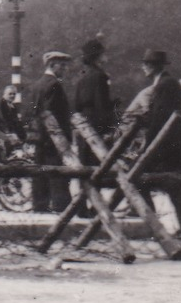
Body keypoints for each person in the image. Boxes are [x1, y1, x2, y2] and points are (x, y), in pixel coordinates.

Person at [125, 49, 181, 234]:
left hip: (166, 143)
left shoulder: (166, 84)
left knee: (141, 177)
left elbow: (160, 119)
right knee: (174, 183)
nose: (144, 67)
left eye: (147, 64)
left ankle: (152, 222)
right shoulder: (165, 83)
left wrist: (147, 145)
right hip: (167, 142)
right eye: (144, 63)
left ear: (157, 66)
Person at [27, 49, 73, 214]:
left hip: (39, 136)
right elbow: (51, 114)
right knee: (57, 171)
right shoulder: (54, 85)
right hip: (53, 136)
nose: (65, 69)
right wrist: (62, 137)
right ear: (53, 65)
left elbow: (32, 112)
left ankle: (40, 205)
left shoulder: (37, 85)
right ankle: (62, 206)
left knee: (39, 170)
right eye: (62, 66)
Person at [72, 38, 116, 162]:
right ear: (98, 56)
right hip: (98, 127)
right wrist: (107, 130)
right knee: (101, 163)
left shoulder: (83, 78)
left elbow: (77, 105)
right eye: (103, 53)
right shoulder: (100, 76)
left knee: (85, 162)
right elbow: (101, 104)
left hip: (85, 126)